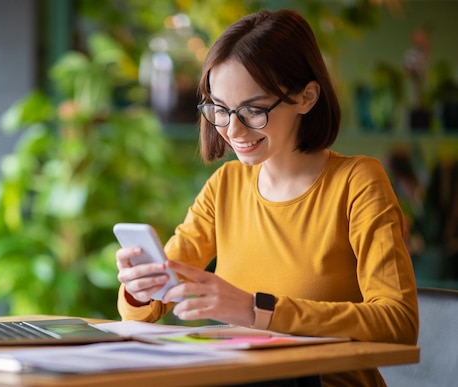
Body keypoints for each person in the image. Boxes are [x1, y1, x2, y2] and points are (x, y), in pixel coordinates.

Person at [115, 9, 418, 387]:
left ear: (306, 97)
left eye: (253, 110)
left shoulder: (357, 182)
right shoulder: (226, 185)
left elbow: (398, 322)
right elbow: (145, 310)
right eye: (220, 109)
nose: (232, 129)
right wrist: (142, 288)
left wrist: (255, 309)